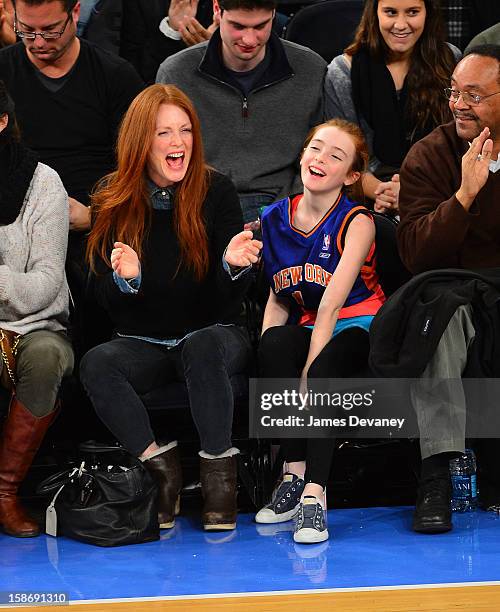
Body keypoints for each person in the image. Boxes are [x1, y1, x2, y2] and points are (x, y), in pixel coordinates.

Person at [80, 84, 262, 532]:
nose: (178, 143)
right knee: (97, 364)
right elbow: (101, 299)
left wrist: (231, 266)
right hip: (145, 340)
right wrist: (126, 280)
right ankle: (161, 471)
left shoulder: (215, 189)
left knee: (201, 345)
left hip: (213, 332)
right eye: (164, 133)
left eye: (185, 131)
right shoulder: (112, 195)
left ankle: (219, 475)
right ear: (141, 140)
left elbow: (224, 302)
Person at [254, 119, 385, 544]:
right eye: (316, 148)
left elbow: (330, 305)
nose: (321, 159)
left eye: (336, 155)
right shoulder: (274, 217)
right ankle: (292, 475)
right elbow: (278, 297)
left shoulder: (358, 220)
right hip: (312, 322)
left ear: (350, 176)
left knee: (323, 371)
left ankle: (315, 494)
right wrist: (270, 366)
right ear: (302, 154)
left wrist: (307, 371)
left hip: (359, 323)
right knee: (273, 344)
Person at [395, 45, 500, 533]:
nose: (458, 104)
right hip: (451, 288)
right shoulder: (430, 156)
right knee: (441, 320)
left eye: (474, 95)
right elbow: (415, 252)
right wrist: (464, 196)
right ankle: (435, 477)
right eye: (454, 92)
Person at [156, 0, 326, 223]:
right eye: (238, 26)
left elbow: (324, 156)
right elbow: (158, 159)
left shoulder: (311, 69)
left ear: (274, 14)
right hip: (199, 206)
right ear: (217, 11)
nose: (249, 39)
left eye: (260, 26)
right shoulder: (177, 73)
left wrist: (287, 209)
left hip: (288, 206)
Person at [0, 80, 74, 538]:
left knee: (46, 357)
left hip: (37, 327)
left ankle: (5, 493)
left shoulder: (42, 183)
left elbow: (45, 287)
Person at [324, 0, 460, 214]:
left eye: (412, 12)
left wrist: (411, 192)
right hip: (369, 191)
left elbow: (458, 144)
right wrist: (383, 191)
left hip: (440, 188)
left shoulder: (451, 59)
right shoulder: (342, 71)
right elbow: (340, 155)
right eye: (390, 12)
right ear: (374, 13)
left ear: (428, 13)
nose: (400, 24)